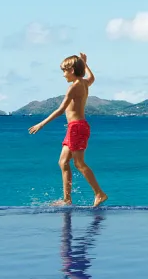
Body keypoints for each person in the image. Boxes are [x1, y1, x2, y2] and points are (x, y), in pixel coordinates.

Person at [29, 54, 107, 207]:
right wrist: (85, 63)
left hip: (76, 127)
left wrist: (41, 124)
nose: (63, 75)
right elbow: (92, 78)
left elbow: (60, 110)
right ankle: (67, 199)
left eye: (64, 71)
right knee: (63, 162)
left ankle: (99, 193)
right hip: (76, 127)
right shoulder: (84, 83)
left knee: (79, 163)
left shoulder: (74, 87)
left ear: (71, 70)